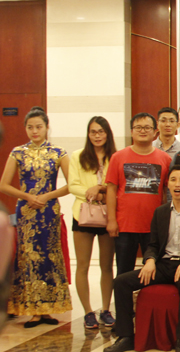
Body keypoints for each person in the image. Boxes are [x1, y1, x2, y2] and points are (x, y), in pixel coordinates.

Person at [104, 165, 180, 352]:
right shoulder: (160, 212)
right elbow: (153, 245)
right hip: (164, 265)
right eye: (173, 180)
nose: (177, 184)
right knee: (121, 281)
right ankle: (126, 336)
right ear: (167, 184)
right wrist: (149, 260)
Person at [0, 107, 72, 327]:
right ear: (25, 129)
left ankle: (49, 308)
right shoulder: (18, 152)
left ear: (47, 127)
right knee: (28, 258)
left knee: (50, 255)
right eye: (30, 127)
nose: (34, 131)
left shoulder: (58, 152)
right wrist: (27, 196)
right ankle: (33, 310)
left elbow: (72, 184)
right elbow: (3, 185)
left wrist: (47, 196)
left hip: (49, 210)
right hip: (26, 212)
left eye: (39, 127)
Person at [106, 112, 172, 274]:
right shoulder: (118, 157)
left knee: (154, 271)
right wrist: (112, 220)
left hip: (153, 226)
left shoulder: (165, 159)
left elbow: (166, 193)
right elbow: (111, 190)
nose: (143, 131)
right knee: (123, 272)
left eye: (147, 128)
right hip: (125, 226)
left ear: (155, 132)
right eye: (138, 127)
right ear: (131, 131)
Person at [68, 116, 117, 329]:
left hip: (108, 215)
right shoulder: (78, 156)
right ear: (88, 134)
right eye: (93, 132)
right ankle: (88, 312)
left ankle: (106, 310)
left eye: (101, 131)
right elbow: (73, 185)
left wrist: (101, 189)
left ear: (107, 133)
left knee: (107, 265)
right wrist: (94, 193)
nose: (97, 136)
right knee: (83, 265)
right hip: (83, 214)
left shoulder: (115, 157)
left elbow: (117, 185)